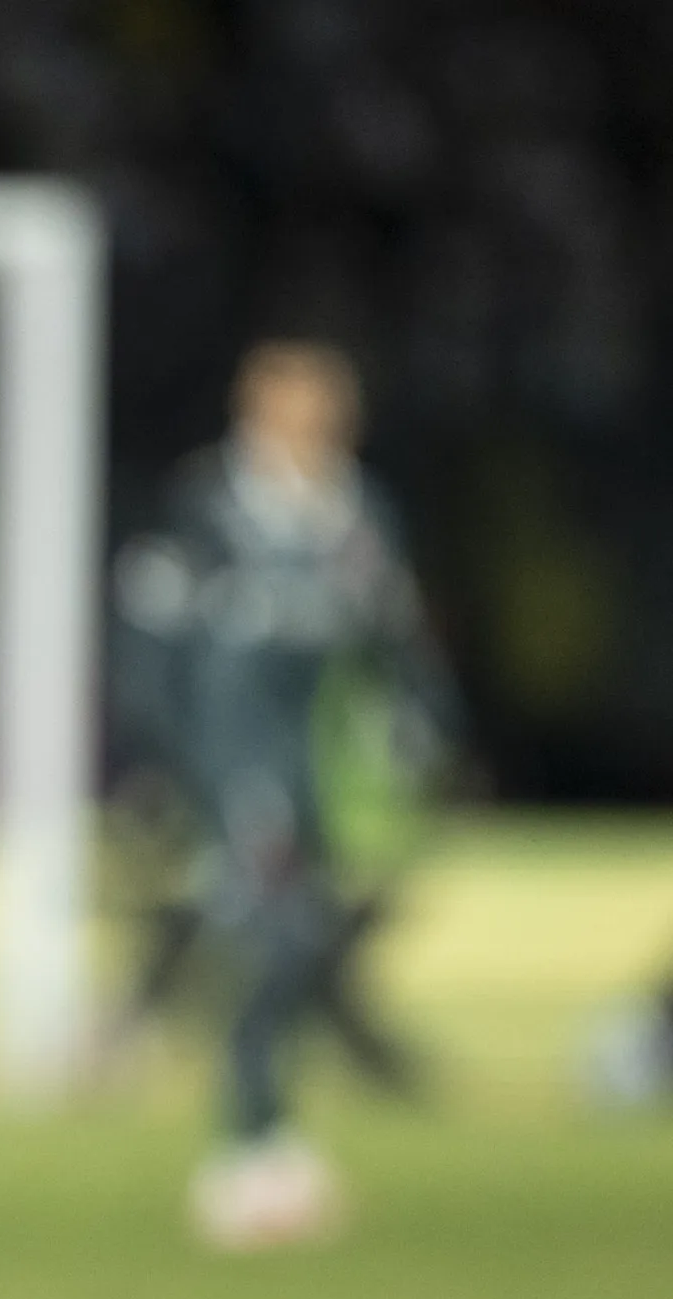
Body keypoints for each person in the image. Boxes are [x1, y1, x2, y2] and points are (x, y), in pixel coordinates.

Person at [110, 340, 452, 1250]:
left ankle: (268, 1140)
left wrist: (429, 725)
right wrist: (167, 760)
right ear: (257, 413)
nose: (316, 428)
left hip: (322, 762)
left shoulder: (357, 513)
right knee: (277, 934)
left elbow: (397, 636)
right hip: (235, 755)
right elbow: (152, 636)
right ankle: (247, 1152)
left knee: (299, 942)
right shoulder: (207, 506)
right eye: (297, 410)